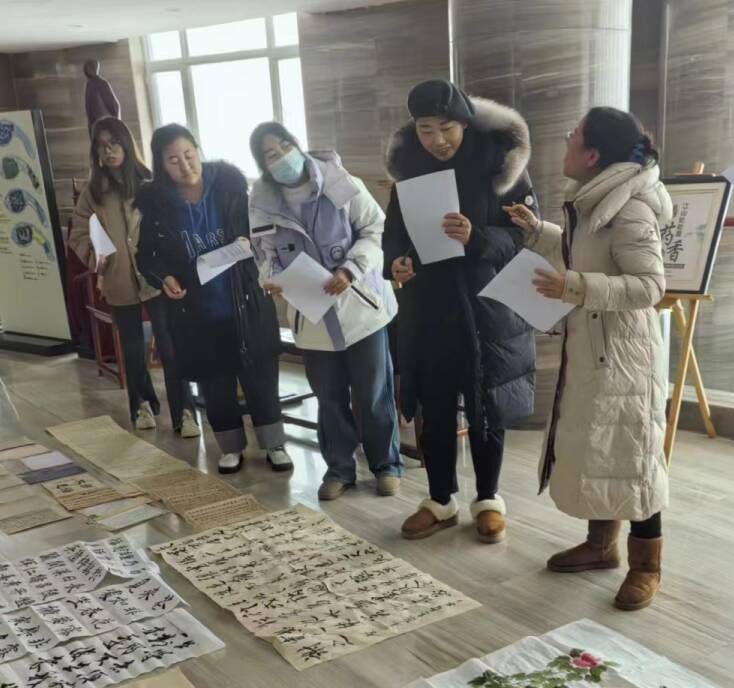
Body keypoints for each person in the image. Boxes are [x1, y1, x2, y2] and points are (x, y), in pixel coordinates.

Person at [507, 108, 671, 611]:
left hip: (625, 354)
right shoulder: (593, 198)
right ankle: (601, 546)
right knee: (600, 447)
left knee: (634, 456)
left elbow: (650, 286)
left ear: (593, 154)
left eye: (573, 135)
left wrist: (574, 286)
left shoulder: (630, 207)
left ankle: (647, 565)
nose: (566, 140)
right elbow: (583, 254)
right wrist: (539, 232)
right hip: (594, 344)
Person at [382, 79, 538, 543]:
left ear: (465, 123)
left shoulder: (500, 165)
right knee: (434, 408)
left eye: (446, 128)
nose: (437, 140)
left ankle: (488, 499)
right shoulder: (409, 168)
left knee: (487, 405)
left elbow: (523, 235)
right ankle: (440, 500)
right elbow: (393, 234)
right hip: (429, 309)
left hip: (487, 307)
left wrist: (477, 237)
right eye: (426, 130)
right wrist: (397, 263)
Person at [248, 122, 403, 500]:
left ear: (297, 145)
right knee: (329, 397)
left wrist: (350, 269)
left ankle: (386, 465)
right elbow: (263, 255)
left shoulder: (340, 182)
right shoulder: (261, 203)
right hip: (311, 315)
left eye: (285, 146)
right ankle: (339, 468)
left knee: (373, 393)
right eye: (271, 154)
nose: (282, 157)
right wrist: (271, 279)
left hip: (361, 306)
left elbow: (375, 229)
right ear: (263, 165)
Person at [135, 124, 292, 473]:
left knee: (261, 378)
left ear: (198, 150)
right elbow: (146, 256)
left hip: (244, 300)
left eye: (188, 155)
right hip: (197, 311)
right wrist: (165, 278)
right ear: (162, 165)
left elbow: (262, 230)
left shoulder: (230, 186)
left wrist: (250, 242)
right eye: (173, 160)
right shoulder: (157, 205)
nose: (185, 165)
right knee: (215, 384)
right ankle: (230, 446)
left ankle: (274, 444)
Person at [69, 117, 199, 438]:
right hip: (119, 281)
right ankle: (141, 405)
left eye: (114, 142)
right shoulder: (93, 192)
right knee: (132, 350)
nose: (109, 150)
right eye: (101, 145)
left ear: (126, 144)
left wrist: (172, 266)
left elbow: (174, 226)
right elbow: (78, 232)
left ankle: (185, 411)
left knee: (171, 346)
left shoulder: (150, 184)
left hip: (157, 278)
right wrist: (98, 259)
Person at [83, 60, 121, 130]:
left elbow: (114, 105)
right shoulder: (89, 85)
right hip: (97, 124)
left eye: (91, 68)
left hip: (105, 123)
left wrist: (116, 124)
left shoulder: (101, 83)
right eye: (87, 68)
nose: (88, 70)